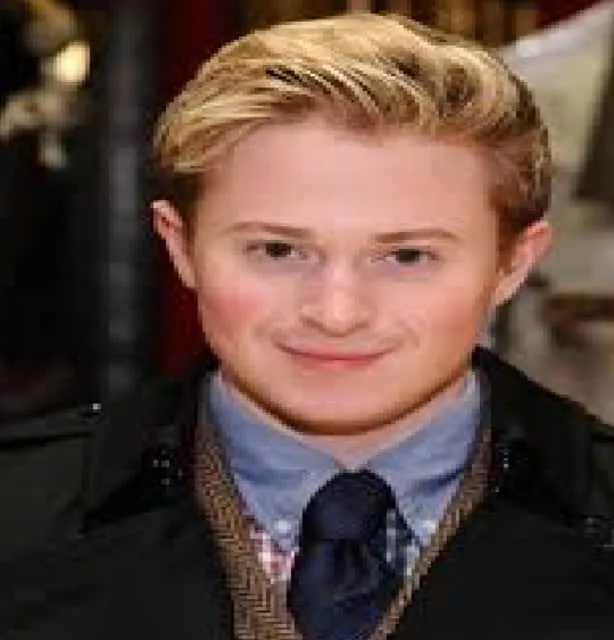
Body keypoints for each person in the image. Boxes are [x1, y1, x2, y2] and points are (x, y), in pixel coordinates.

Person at [3, 11, 614, 640]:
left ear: (513, 264)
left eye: (407, 257)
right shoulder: (17, 514)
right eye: (278, 251)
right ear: (181, 247)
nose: (336, 313)